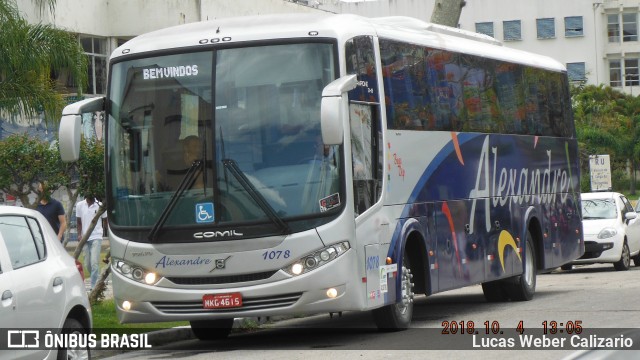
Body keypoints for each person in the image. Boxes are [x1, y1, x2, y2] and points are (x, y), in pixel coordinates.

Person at [76, 194, 108, 290]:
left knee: (94, 263)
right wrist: (79, 234)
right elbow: (78, 222)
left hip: (96, 236)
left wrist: (110, 235)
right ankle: (98, 279)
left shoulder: (100, 205)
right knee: (87, 264)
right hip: (85, 237)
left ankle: (93, 287)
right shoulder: (79, 205)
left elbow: (105, 220)